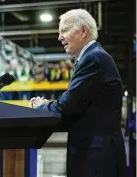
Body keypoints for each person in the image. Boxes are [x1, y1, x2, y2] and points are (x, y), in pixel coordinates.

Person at [29, 9, 127, 177]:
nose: (59, 37)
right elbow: (75, 107)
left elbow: (67, 108)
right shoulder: (91, 58)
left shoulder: (93, 59)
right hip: (95, 155)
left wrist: (42, 106)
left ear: (82, 31)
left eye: (64, 30)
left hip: (97, 159)